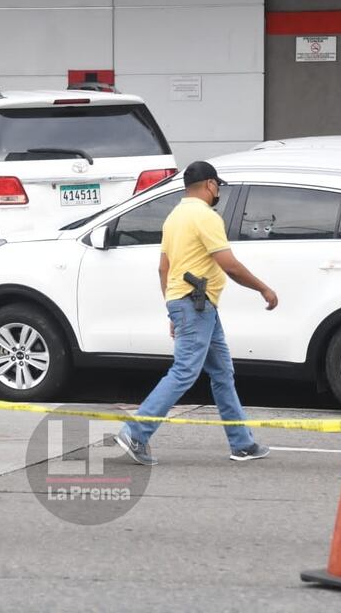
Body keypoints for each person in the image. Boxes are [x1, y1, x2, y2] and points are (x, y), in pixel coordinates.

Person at [115, 161, 278, 466]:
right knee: (184, 371)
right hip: (195, 304)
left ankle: (241, 443)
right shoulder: (205, 216)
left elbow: (164, 268)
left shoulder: (174, 217)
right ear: (210, 185)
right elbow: (229, 265)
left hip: (193, 304)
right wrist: (263, 288)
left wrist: (172, 310)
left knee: (222, 373)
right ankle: (136, 431)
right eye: (217, 185)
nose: (218, 191)